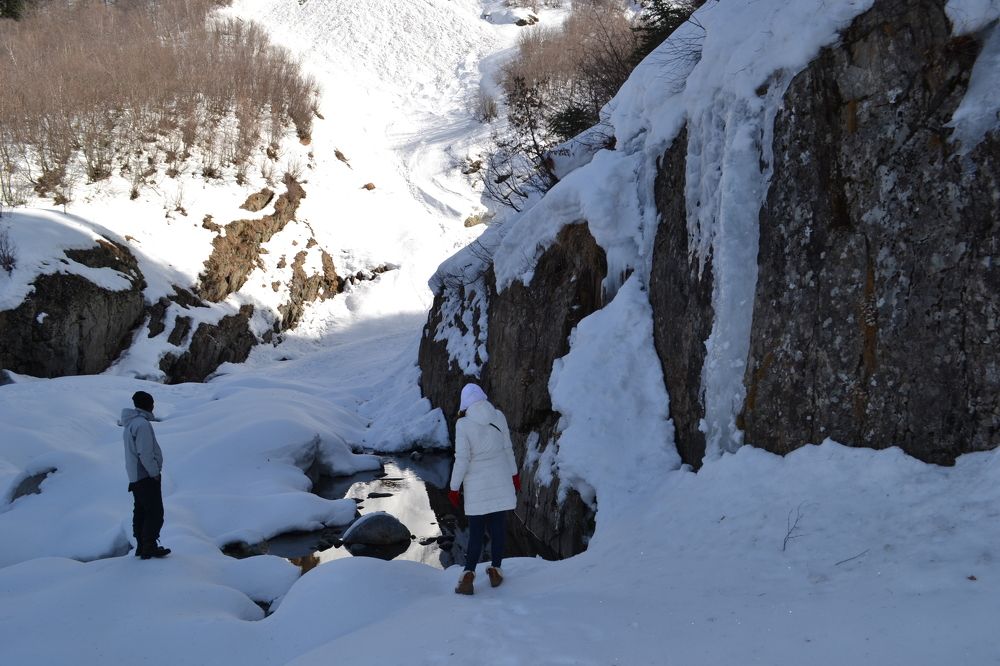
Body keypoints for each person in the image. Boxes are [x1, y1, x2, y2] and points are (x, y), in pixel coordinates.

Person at [448, 383, 520, 595]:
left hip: (476, 487)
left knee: (476, 533)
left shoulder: (463, 424)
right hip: (500, 480)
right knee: (498, 529)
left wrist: (454, 488)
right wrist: (514, 475)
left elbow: (462, 459)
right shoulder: (498, 416)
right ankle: (496, 570)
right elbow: (508, 449)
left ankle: (468, 574)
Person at [121, 390, 170, 560]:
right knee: (155, 512)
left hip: (135, 477)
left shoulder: (131, 424)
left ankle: (142, 546)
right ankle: (149, 546)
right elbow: (145, 452)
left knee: (141, 511)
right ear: (148, 405)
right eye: (152, 403)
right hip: (145, 476)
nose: (154, 406)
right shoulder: (141, 424)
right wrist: (154, 473)